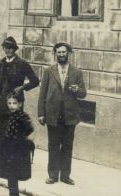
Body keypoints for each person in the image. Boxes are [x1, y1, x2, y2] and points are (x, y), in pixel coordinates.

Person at [0, 36, 39, 171]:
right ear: (3, 49)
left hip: (13, 104)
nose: (8, 50)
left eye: (10, 48)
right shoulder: (0, 63)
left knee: (10, 132)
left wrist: (23, 87)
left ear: (14, 49)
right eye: (5, 48)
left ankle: (4, 161)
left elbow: (35, 81)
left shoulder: (22, 64)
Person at [37, 42, 87, 185]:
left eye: (64, 52)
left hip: (69, 116)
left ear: (68, 53)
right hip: (53, 115)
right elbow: (42, 94)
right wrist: (41, 113)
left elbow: (83, 93)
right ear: (55, 54)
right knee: (53, 146)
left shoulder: (77, 72)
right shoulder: (49, 71)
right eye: (58, 52)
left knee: (67, 147)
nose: (61, 55)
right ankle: (53, 175)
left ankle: (65, 176)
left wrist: (77, 89)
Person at [0, 93, 35, 196]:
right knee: (9, 174)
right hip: (8, 148)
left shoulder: (22, 116)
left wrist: (22, 140)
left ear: (20, 104)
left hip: (17, 149)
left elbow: (30, 129)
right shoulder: (10, 115)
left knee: (13, 174)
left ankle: (14, 194)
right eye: (9, 103)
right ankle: (13, 193)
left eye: (14, 103)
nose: (11, 106)